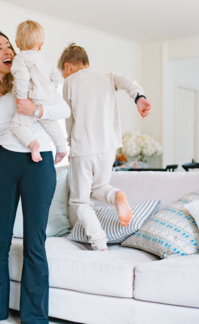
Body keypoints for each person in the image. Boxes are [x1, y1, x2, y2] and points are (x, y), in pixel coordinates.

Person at [0, 30, 70, 324]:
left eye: (8, 45)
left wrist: (35, 108)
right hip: (5, 163)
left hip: (39, 163)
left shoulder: (29, 76)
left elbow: (62, 108)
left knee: (34, 242)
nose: (8, 50)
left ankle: (35, 318)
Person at [59, 43, 152, 251]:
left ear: (68, 66)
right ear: (87, 63)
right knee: (99, 187)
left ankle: (99, 242)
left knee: (80, 202)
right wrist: (139, 97)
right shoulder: (108, 76)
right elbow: (128, 82)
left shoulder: (70, 82)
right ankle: (117, 195)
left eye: (63, 72)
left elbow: (69, 118)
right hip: (109, 148)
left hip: (83, 149)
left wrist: (69, 143)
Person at [10, 20, 67, 163]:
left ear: (16, 43)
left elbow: (22, 78)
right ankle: (61, 149)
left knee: (17, 124)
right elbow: (55, 76)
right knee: (52, 124)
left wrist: (22, 98)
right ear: (41, 45)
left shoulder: (20, 58)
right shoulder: (46, 61)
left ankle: (32, 143)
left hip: (34, 100)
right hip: (49, 98)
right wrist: (51, 88)